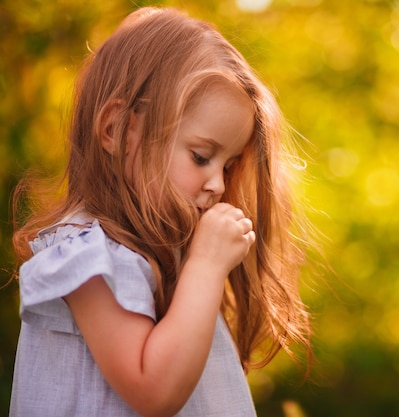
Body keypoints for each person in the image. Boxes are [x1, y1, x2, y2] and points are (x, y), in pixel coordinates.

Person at [10, 6, 313, 417]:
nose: (219, 185)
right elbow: (153, 390)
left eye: (227, 165)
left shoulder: (169, 259)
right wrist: (206, 265)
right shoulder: (87, 259)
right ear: (119, 131)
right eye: (201, 156)